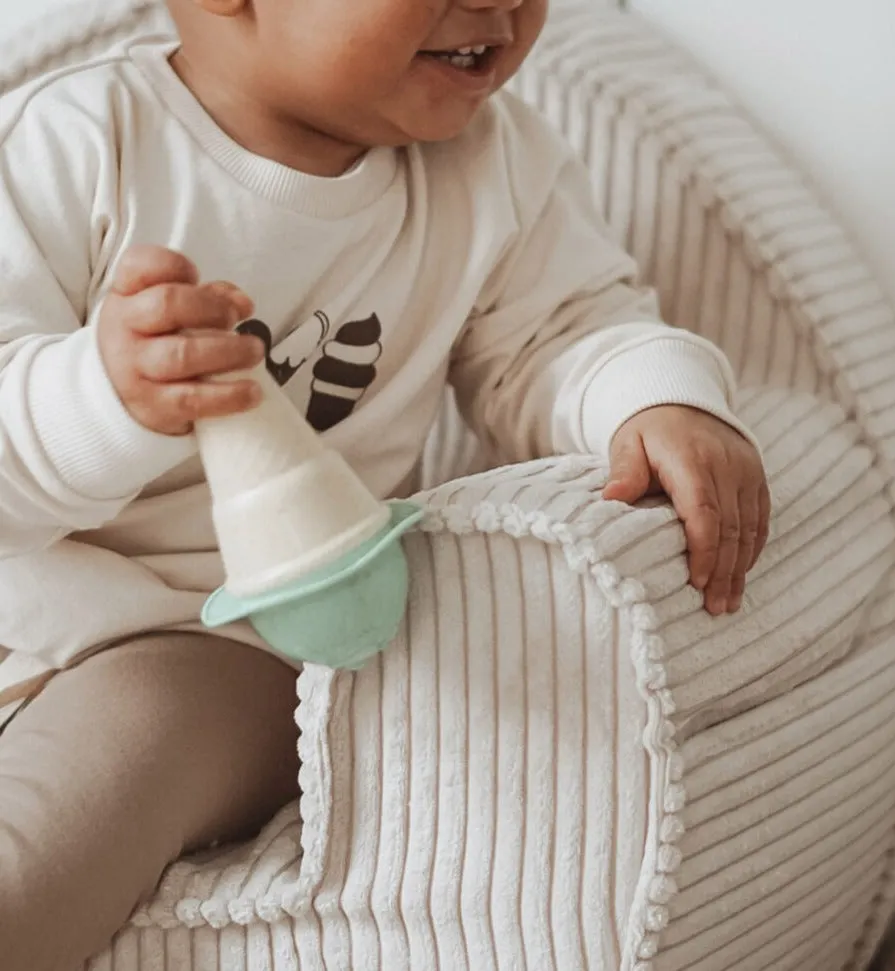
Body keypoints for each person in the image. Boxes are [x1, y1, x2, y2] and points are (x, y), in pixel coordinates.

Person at [0, 0, 770, 966]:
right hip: (25, 595)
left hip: (208, 636)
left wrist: (653, 398)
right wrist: (99, 400)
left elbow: (558, 335)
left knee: (100, 777)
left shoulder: (495, 169)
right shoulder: (74, 142)